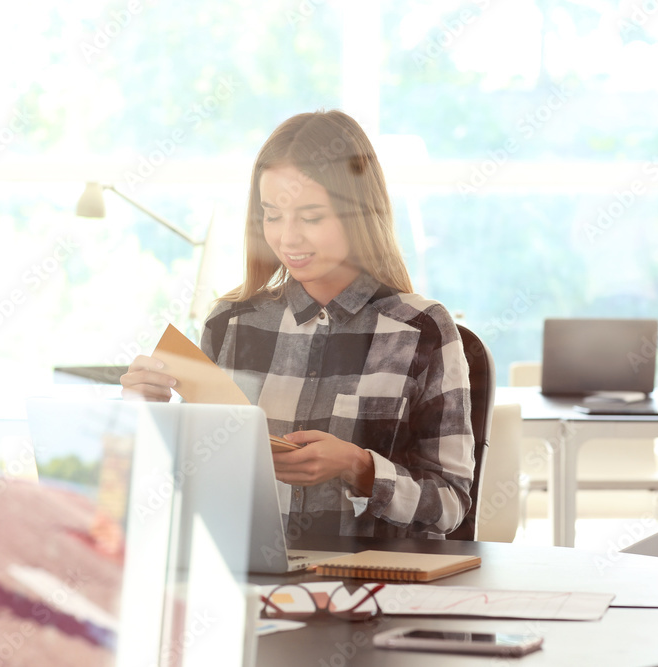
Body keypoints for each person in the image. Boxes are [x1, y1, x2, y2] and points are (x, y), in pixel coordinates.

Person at [121, 110, 474, 540]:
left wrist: (359, 468)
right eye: (272, 215)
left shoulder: (423, 330)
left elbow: (451, 507)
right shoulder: (229, 323)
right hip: (248, 584)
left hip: (372, 591)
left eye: (310, 217)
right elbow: (190, 486)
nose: (288, 238)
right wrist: (145, 417)